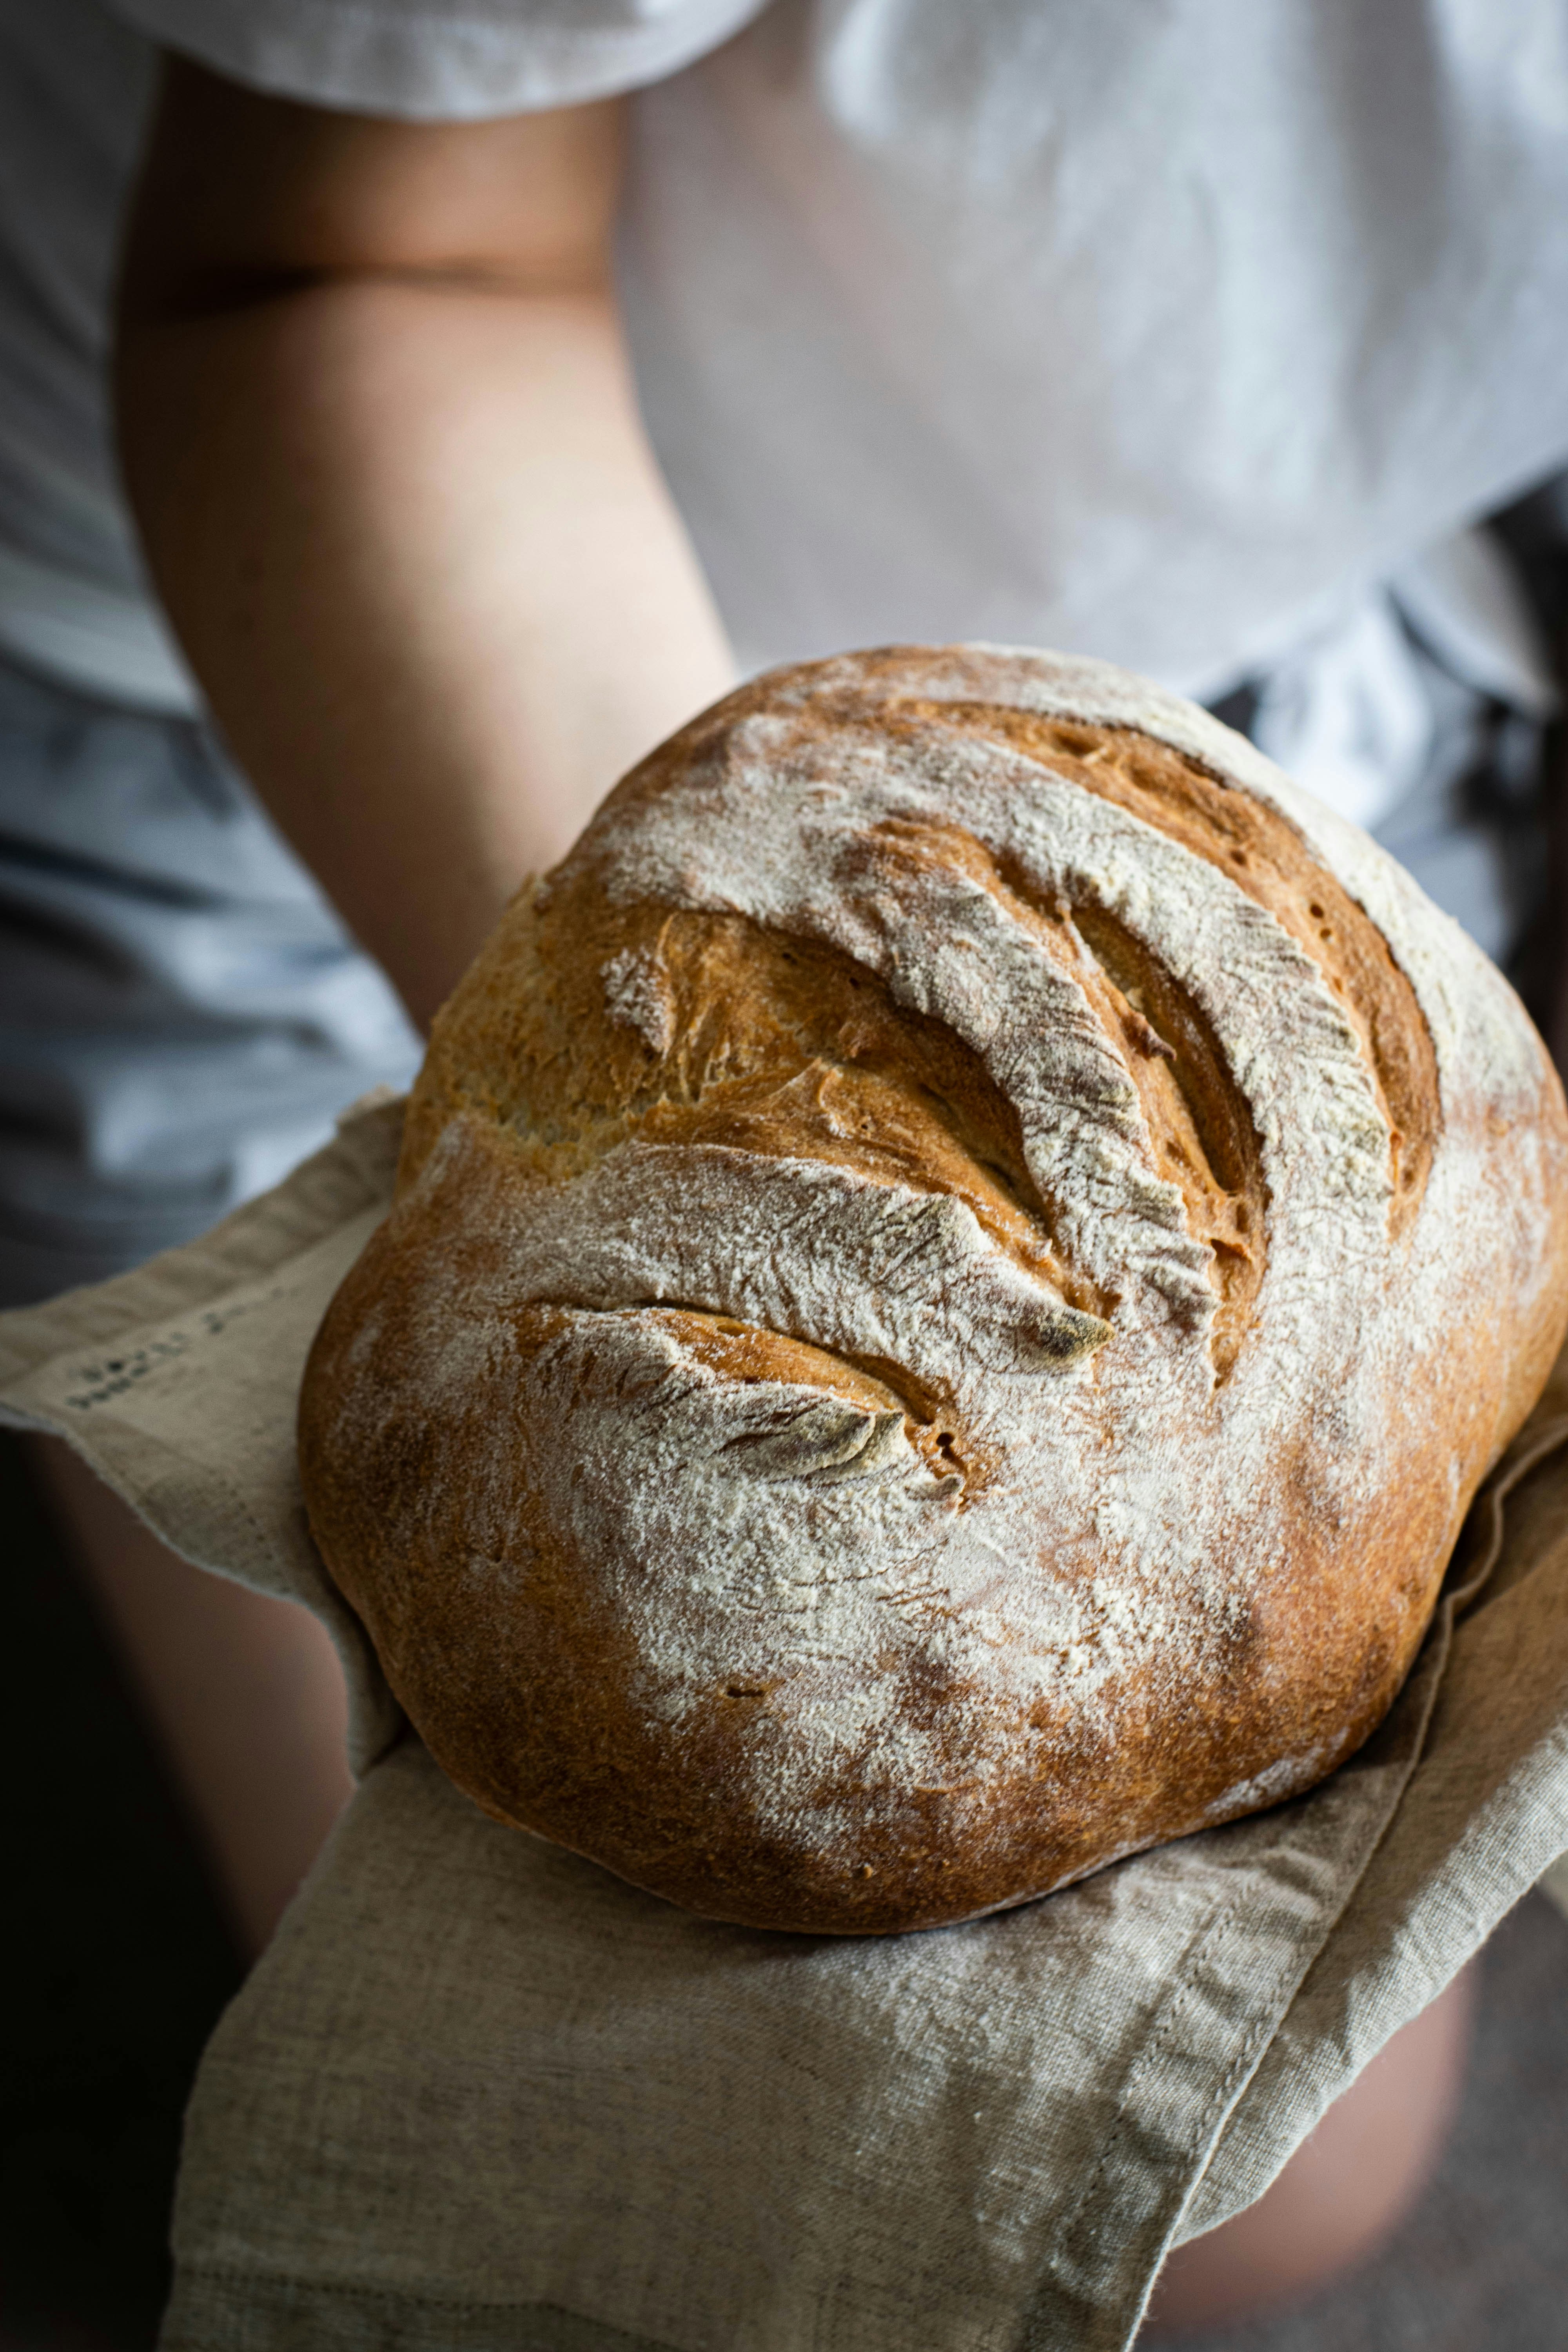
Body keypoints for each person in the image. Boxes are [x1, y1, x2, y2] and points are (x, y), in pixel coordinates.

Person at [2, 0, 1564, 2328]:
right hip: (302, 653)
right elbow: (353, 282)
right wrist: (720, 1089)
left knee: (1280, 2169)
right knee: (645, 2181)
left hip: (1199, 700)